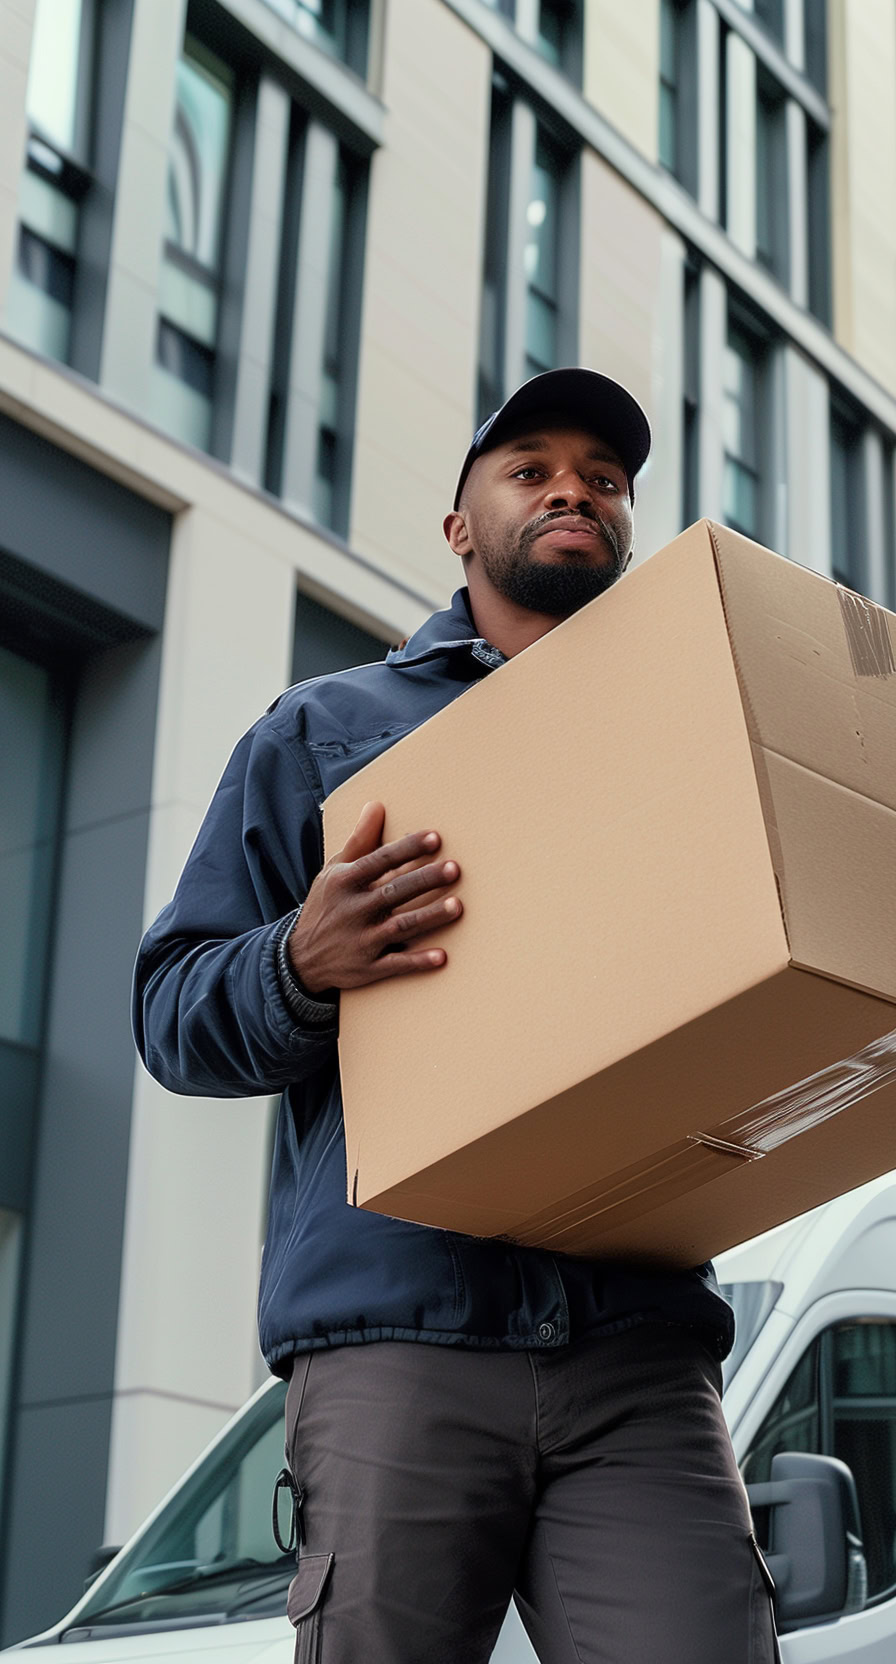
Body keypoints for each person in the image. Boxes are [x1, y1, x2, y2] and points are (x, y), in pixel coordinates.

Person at [133, 368, 780, 1664]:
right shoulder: (327, 731)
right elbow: (169, 1010)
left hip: (636, 1348)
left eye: (603, 478)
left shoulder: (698, 743)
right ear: (458, 528)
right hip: (397, 1337)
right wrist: (297, 965)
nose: (571, 491)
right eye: (531, 467)